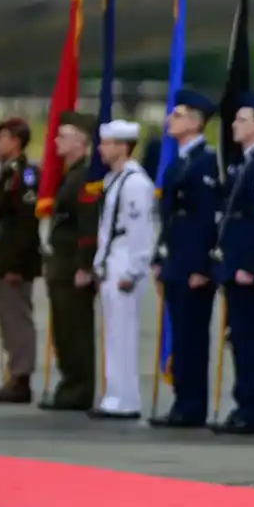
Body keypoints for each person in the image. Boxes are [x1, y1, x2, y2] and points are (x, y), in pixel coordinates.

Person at [151, 89, 223, 429]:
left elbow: (206, 221)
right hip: (176, 263)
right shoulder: (179, 162)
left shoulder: (205, 163)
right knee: (179, 334)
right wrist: (159, 256)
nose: (170, 120)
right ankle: (182, 400)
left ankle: (193, 405)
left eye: (178, 115)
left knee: (193, 337)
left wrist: (201, 267)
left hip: (193, 267)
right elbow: (170, 219)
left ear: (195, 123)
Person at [210, 91, 254, 435]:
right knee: (239, 338)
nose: (234, 125)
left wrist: (249, 264)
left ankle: (253, 409)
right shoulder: (247, 160)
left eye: (242, 119)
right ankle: (243, 403)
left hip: (249, 271)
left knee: (250, 339)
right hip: (233, 267)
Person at [91, 120, 155, 419]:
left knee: (124, 334)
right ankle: (114, 394)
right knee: (113, 334)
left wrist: (134, 270)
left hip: (125, 260)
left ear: (122, 146)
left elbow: (140, 231)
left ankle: (126, 399)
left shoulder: (135, 183)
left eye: (107, 143)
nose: (101, 149)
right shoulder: (113, 180)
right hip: (111, 259)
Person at [39, 111, 101, 411]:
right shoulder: (71, 175)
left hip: (73, 267)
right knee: (63, 331)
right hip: (61, 265)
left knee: (75, 331)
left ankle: (79, 389)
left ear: (81, 141)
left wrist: (85, 265)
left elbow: (88, 226)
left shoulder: (84, 177)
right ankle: (69, 385)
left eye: (63, 136)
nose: (55, 141)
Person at [0, 118, 42, 404]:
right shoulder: (7, 173)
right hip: (5, 260)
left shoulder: (25, 175)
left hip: (16, 264)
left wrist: (15, 265)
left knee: (17, 320)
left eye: (1, 138)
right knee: (7, 320)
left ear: (15, 141)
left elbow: (25, 225)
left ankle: (21, 378)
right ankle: (14, 373)